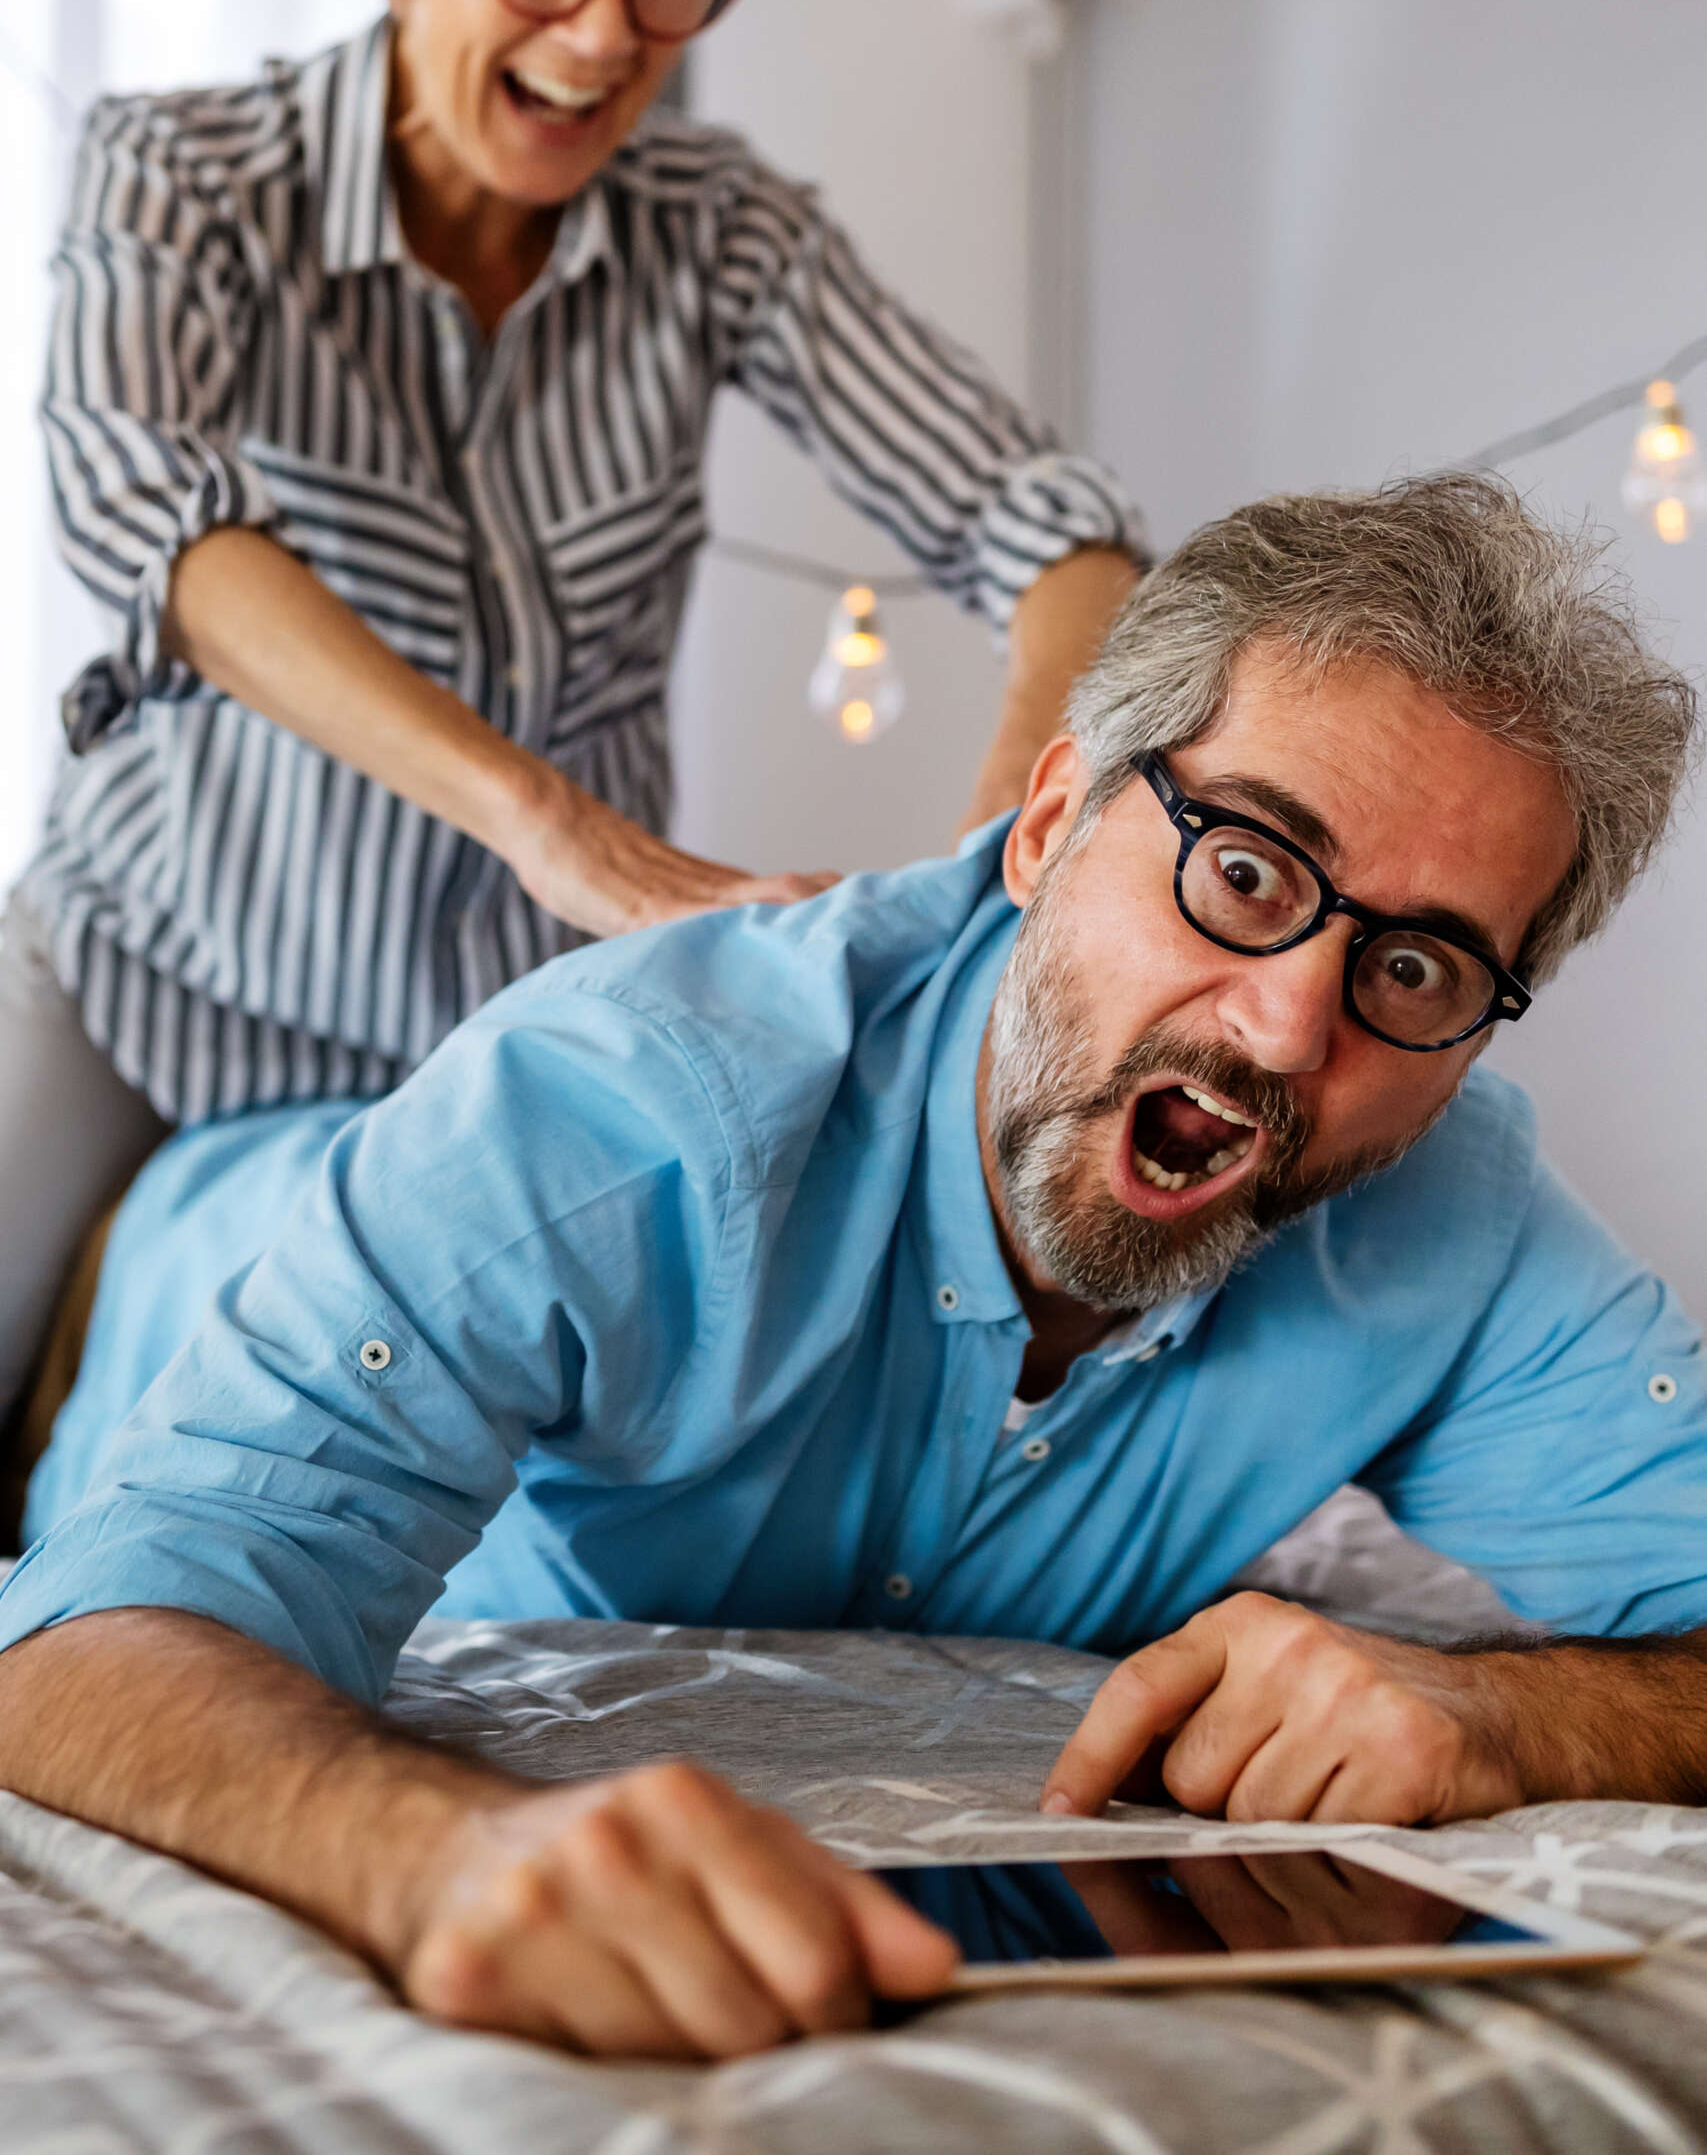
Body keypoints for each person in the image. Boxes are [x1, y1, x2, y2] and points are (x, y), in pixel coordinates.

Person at [3, 472, 1704, 2065]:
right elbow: (73, 1649)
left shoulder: (1458, 1215)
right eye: (1244, 869)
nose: (1288, 1025)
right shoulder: (618, 1101)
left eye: (1416, 968)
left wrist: (1523, 1718)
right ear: (1048, 824)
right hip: (187, 1237)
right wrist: (421, 1852)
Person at [0, 0, 1142, 1421]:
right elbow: (151, 518)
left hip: (503, 1047)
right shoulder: (185, 173)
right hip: (163, 985)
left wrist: (1016, 833)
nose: (605, 32)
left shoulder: (720, 231)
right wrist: (552, 826)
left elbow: (1054, 527)